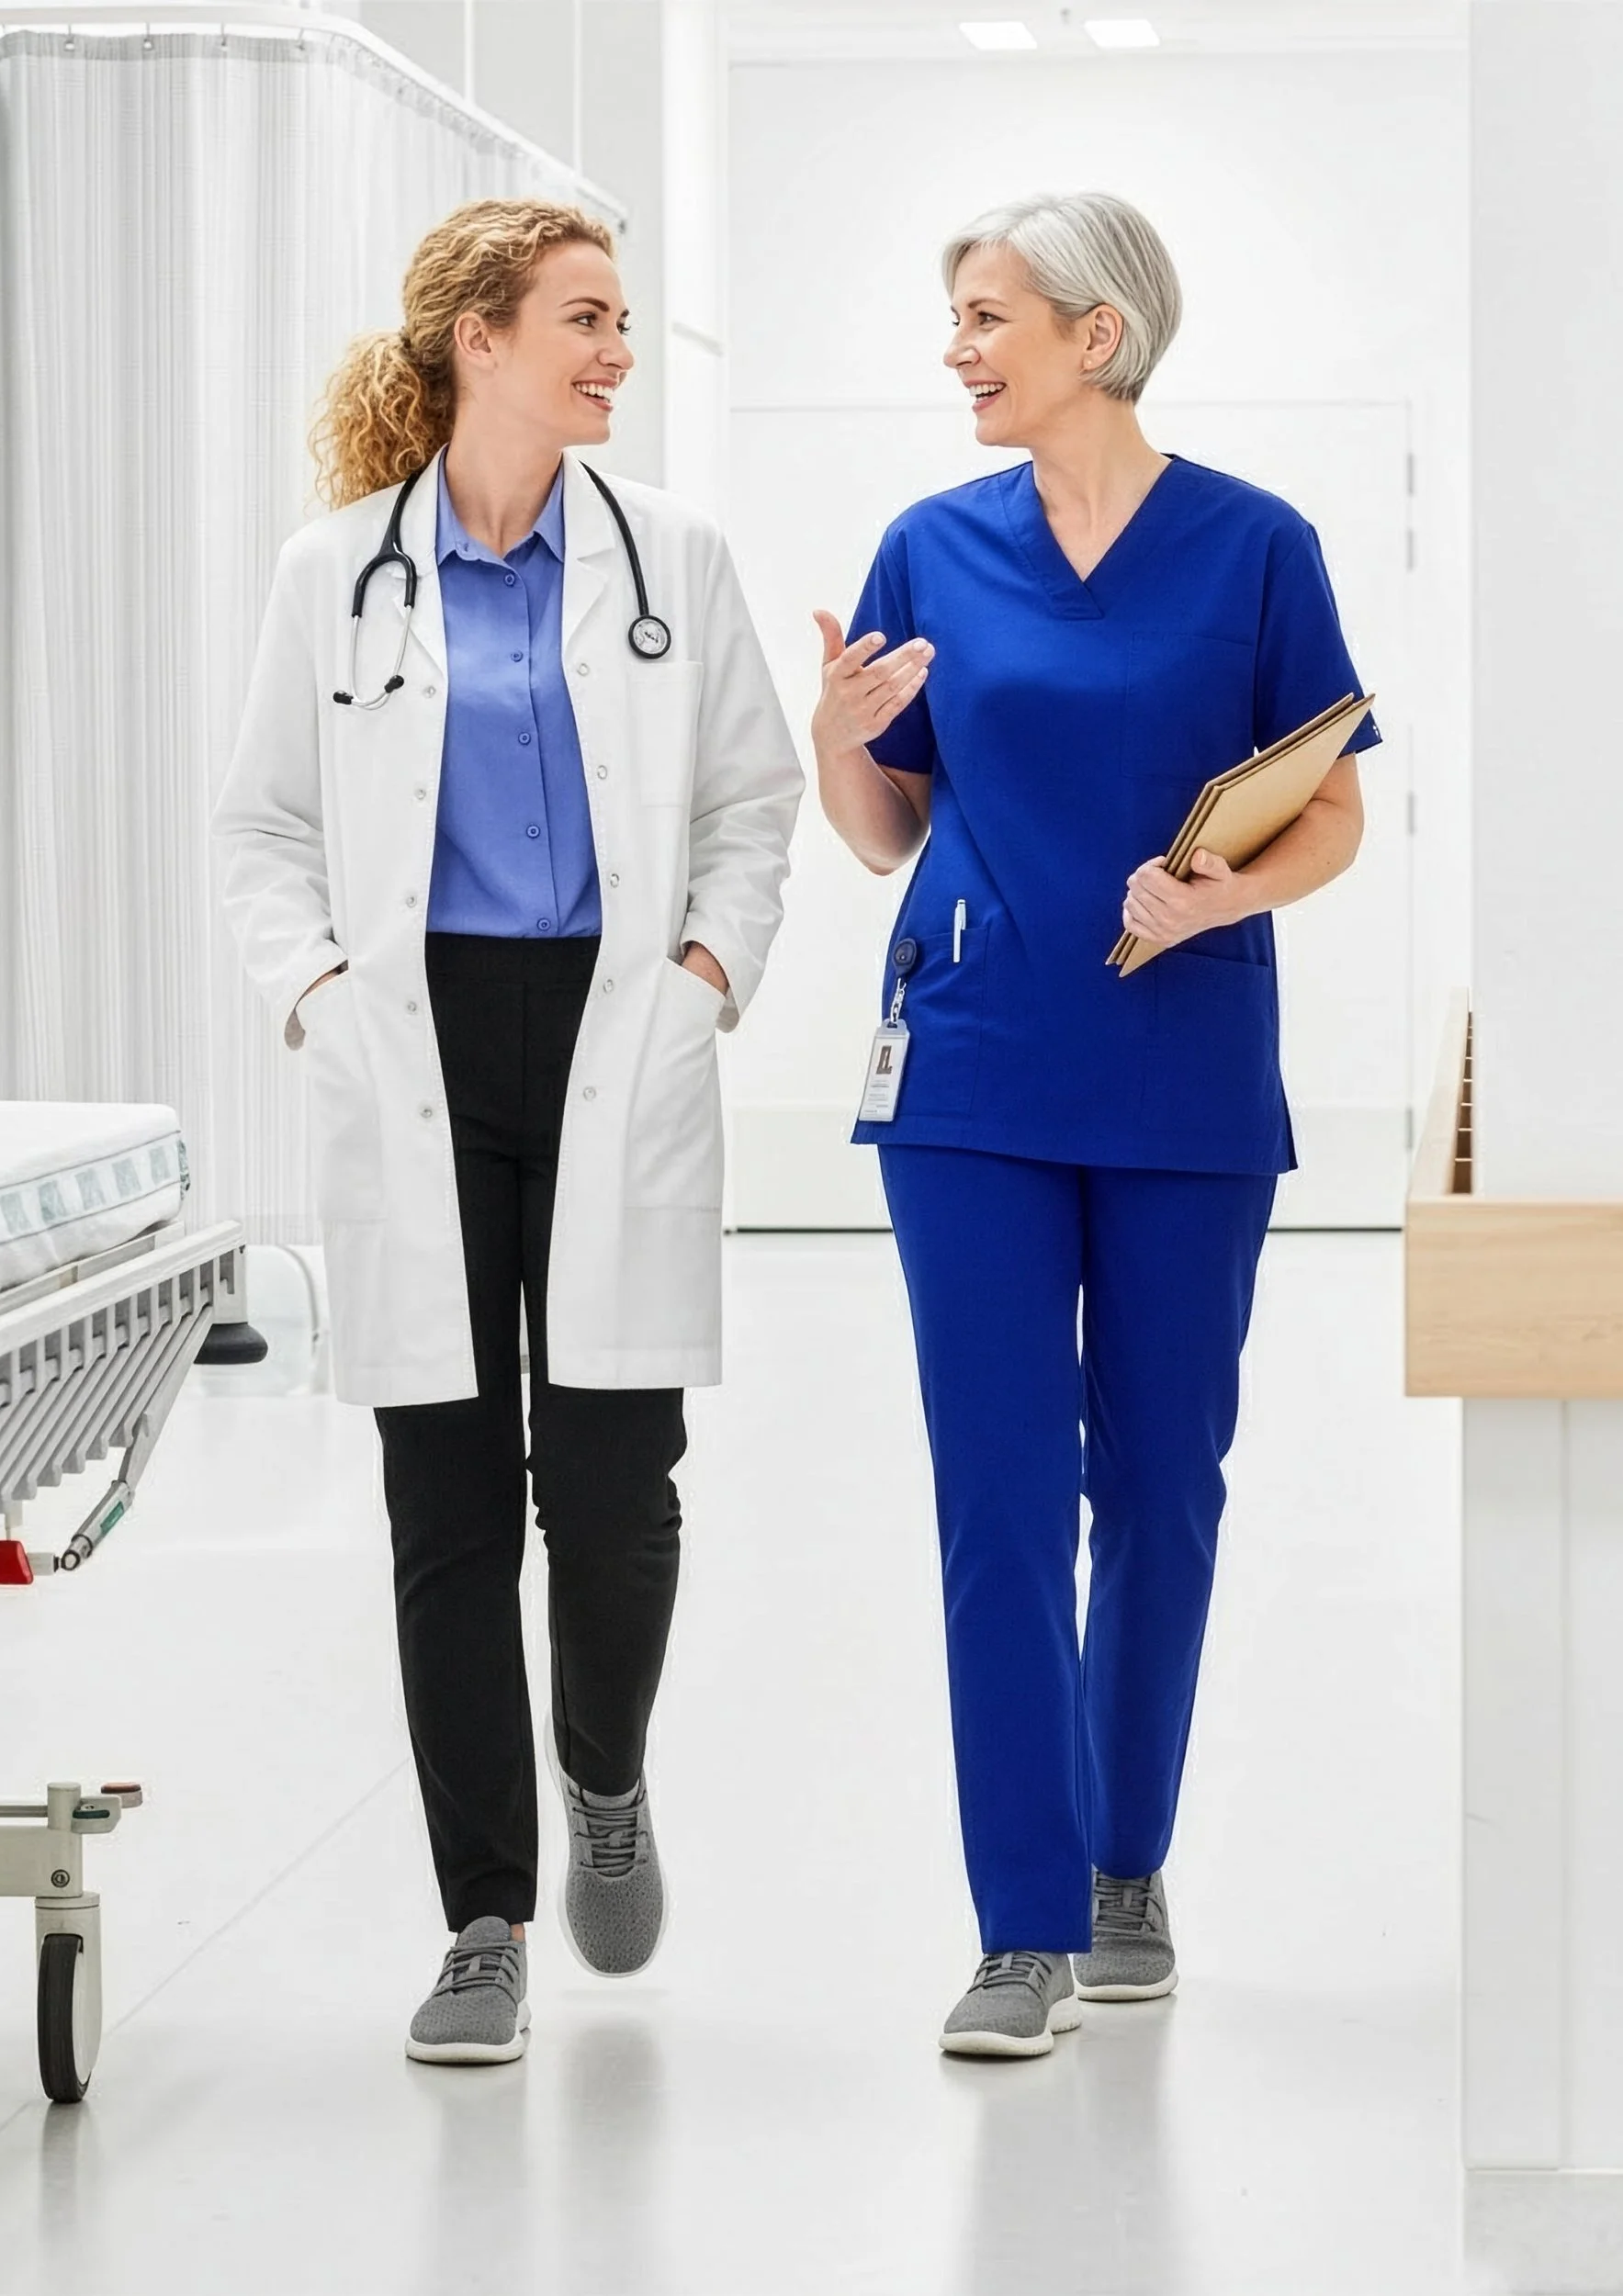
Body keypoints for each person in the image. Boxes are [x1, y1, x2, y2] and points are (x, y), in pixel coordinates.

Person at [214, 199, 800, 2065]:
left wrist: (706, 971)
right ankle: (485, 1918)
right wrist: (317, 992)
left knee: (614, 1491)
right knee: (447, 1500)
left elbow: (752, 802)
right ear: (480, 338)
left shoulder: (670, 558)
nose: (618, 351)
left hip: (619, 1025)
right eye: (586, 318)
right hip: (417, 1041)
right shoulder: (337, 572)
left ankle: (603, 1773)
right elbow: (263, 830)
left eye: (620, 320)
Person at [812, 191, 1379, 2057]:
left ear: (1096, 334)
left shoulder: (1256, 547)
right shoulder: (930, 549)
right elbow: (884, 830)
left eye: (987, 316)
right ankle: (1021, 1924)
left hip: (1179, 1068)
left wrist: (1225, 896)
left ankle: (1128, 1858)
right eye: (958, 318)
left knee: (1158, 1483)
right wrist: (836, 732)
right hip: (972, 1067)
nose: (958, 350)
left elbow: (1330, 810)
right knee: (997, 1495)